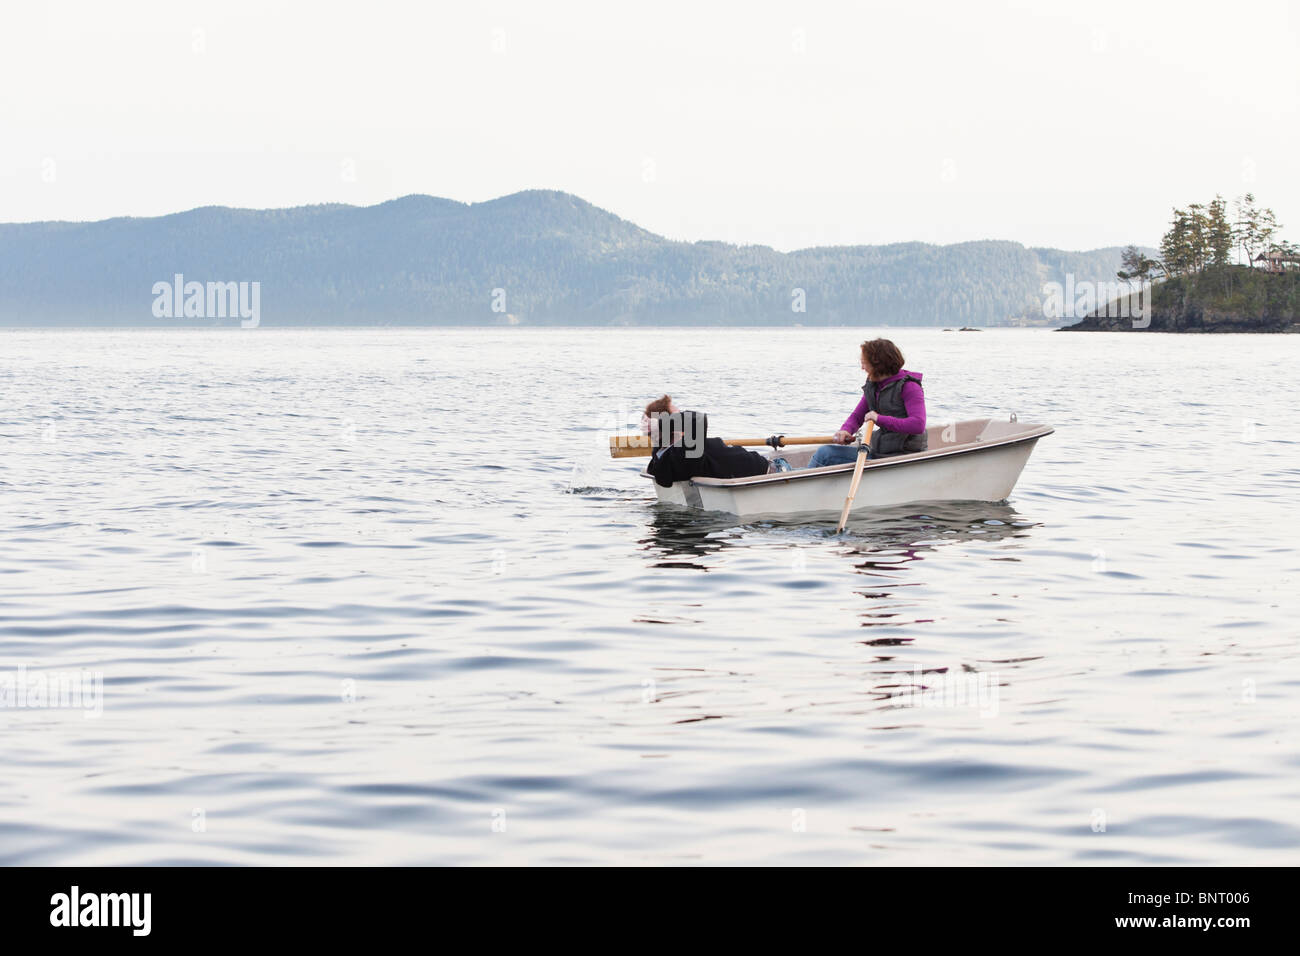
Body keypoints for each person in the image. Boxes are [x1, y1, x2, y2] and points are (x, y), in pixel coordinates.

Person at [807, 338, 927, 468]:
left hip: (903, 454)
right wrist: (846, 430)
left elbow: (918, 425)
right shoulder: (875, 386)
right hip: (881, 451)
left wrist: (879, 419)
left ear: (878, 365)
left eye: (864, 363)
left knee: (825, 454)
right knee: (825, 453)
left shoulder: (909, 386)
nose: (862, 367)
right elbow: (857, 416)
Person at [641, 395, 777, 487]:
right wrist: (660, 425)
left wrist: (656, 430)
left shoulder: (663, 455)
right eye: (678, 415)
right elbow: (698, 419)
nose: (683, 417)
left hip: (762, 468)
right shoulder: (685, 452)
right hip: (769, 473)